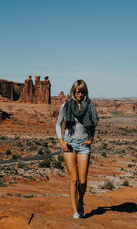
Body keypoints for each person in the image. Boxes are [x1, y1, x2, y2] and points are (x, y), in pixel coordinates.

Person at [56, 79, 99, 219]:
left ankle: (81, 201)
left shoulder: (89, 106)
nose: (80, 94)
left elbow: (92, 126)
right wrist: (61, 141)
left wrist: (91, 138)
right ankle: (75, 211)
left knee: (82, 181)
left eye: (82, 92)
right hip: (69, 144)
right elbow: (58, 125)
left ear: (85, 92)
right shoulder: (66, 105)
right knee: (73, 179)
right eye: (77, 92)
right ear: (73, 91)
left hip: (83, 145)